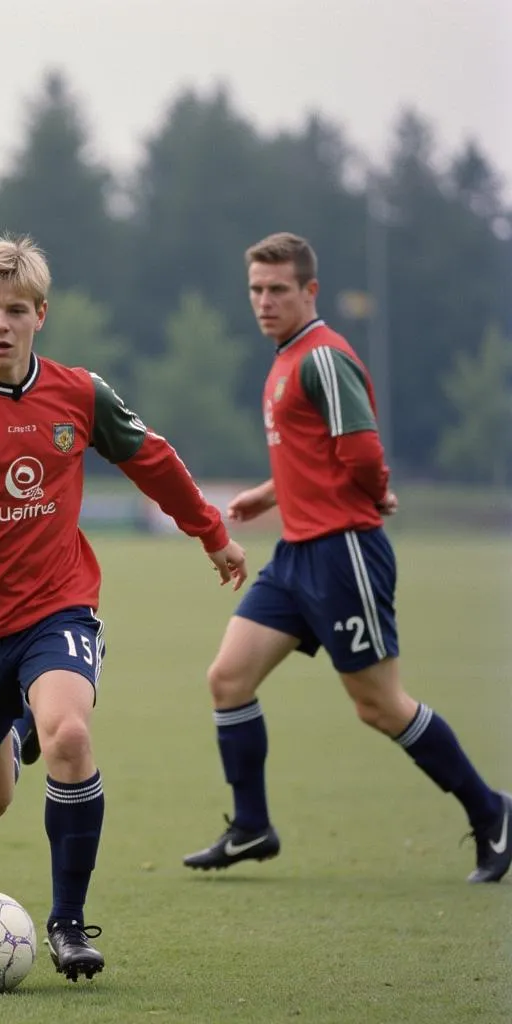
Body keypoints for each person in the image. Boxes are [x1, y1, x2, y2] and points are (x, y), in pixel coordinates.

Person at [0, 235, 248, 981]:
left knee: (71, 734)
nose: (1, 324)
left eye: (16, 310)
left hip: (58, 606)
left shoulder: (79, 393)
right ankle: (13, 733)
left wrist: (211, 532)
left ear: (41, 314)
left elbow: (154, 460)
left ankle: (69, 924)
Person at [182, 232, 510, 884]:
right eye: (256, 289)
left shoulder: (323, 359)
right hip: (296, 554)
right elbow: (320, 449)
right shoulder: (286, 359)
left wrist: (377, 489)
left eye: (278, 289)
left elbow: (359, 452)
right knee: (228, 679)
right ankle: (252, 827)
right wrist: (270, 492)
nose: (265, 301)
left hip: (344, 553)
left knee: (380, 705)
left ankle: (492, 810)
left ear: (310, 291)